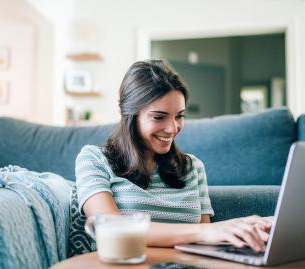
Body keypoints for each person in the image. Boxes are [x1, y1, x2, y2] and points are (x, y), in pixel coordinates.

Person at [75, 59, 272, 252]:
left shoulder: (192, 167)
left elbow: (206, 244)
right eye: (159, 117)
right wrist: (206, 231)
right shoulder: (94, 159)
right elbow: (110, 229)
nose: (172, 128)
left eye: (179, 116)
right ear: (130, 115)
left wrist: (244, 229)